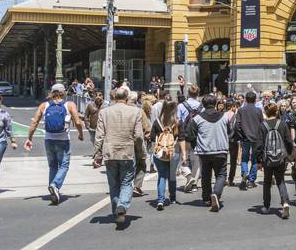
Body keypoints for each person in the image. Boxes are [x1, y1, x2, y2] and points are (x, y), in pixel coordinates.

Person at [92, 86, 145, 228]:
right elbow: (139, 136)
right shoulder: (136, 112)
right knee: (127, 182)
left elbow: (99, 136)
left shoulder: (104, 112)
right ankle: (122, 205)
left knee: (113, 184)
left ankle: (117, 211)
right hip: (127, 152)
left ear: (114, 98)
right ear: (127, 98)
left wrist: (97, 154)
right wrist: (140, 152)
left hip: (109, 152)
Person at [24, 83, 84, 204]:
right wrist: (80, 134)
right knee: (64, 165)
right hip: (63, 140)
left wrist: (29, 138)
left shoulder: (44, 105)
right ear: (64, 92)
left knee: (52, 166)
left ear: (52, 93)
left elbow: (34, 122)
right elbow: (77, 122)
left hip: (48, 139)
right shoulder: (69, 105)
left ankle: (53, 190)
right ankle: (55, 185)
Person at [184, 94, 232, 212]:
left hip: (204, 151)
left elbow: (189, 135)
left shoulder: (197, 119)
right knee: (221, 174)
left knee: (206, 175)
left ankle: (206, 199)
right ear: (215, 103)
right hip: (221, 150)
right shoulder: (224, 117)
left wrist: (196, 144)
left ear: (203, 105)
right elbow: (230, 132)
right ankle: (216, 193)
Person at [258, 102, 294, 219]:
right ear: (277, 112)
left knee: (267, 182)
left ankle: (267, 206)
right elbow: (289, 141)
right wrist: (289, 155)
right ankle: (285, 202)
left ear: (266, 113)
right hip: (281, 158)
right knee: (280, 181)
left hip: (267, 158)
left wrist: (258, 160)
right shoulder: (282, 124)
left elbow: (259, 144)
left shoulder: (263, 126)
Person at [150, 99, 181, 210]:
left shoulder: (157, 122)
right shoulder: (177, 123)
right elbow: (181, 138)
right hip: (173, 152)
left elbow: (152, 137)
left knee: (162, 175)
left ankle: (160, 200)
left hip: (160, 153)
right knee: (172, 176)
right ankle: (172, 198)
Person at [233, 90, 263, 189]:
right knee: (254, 159)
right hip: (256, 138)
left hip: (245, 137)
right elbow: (261, 125)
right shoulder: (258, 111)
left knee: (244, 158)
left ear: (245, 99)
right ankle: (251, 180)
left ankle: (244, 173)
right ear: (255, 100)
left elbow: (237, 125)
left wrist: (241, 135)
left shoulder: (241, 110)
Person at [177, 85, 203, 192]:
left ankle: (188, 176)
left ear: (188, 93)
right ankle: (194, 183)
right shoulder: (201, 106)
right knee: (196, 159)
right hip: (197, 134)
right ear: (198, 94)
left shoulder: (181, 106)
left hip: (184, 134)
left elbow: (178, 120)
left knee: (181, 158)